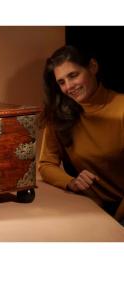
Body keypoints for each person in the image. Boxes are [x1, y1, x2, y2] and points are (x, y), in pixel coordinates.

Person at [38, 45, 124, 225]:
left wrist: (116, 223)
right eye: (61, 82)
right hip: (91, 208)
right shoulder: (59, 114)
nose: (69, 87)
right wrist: (71, 182)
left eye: (73, 75)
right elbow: (46, 164)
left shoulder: (121, 109)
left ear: (92, 67)